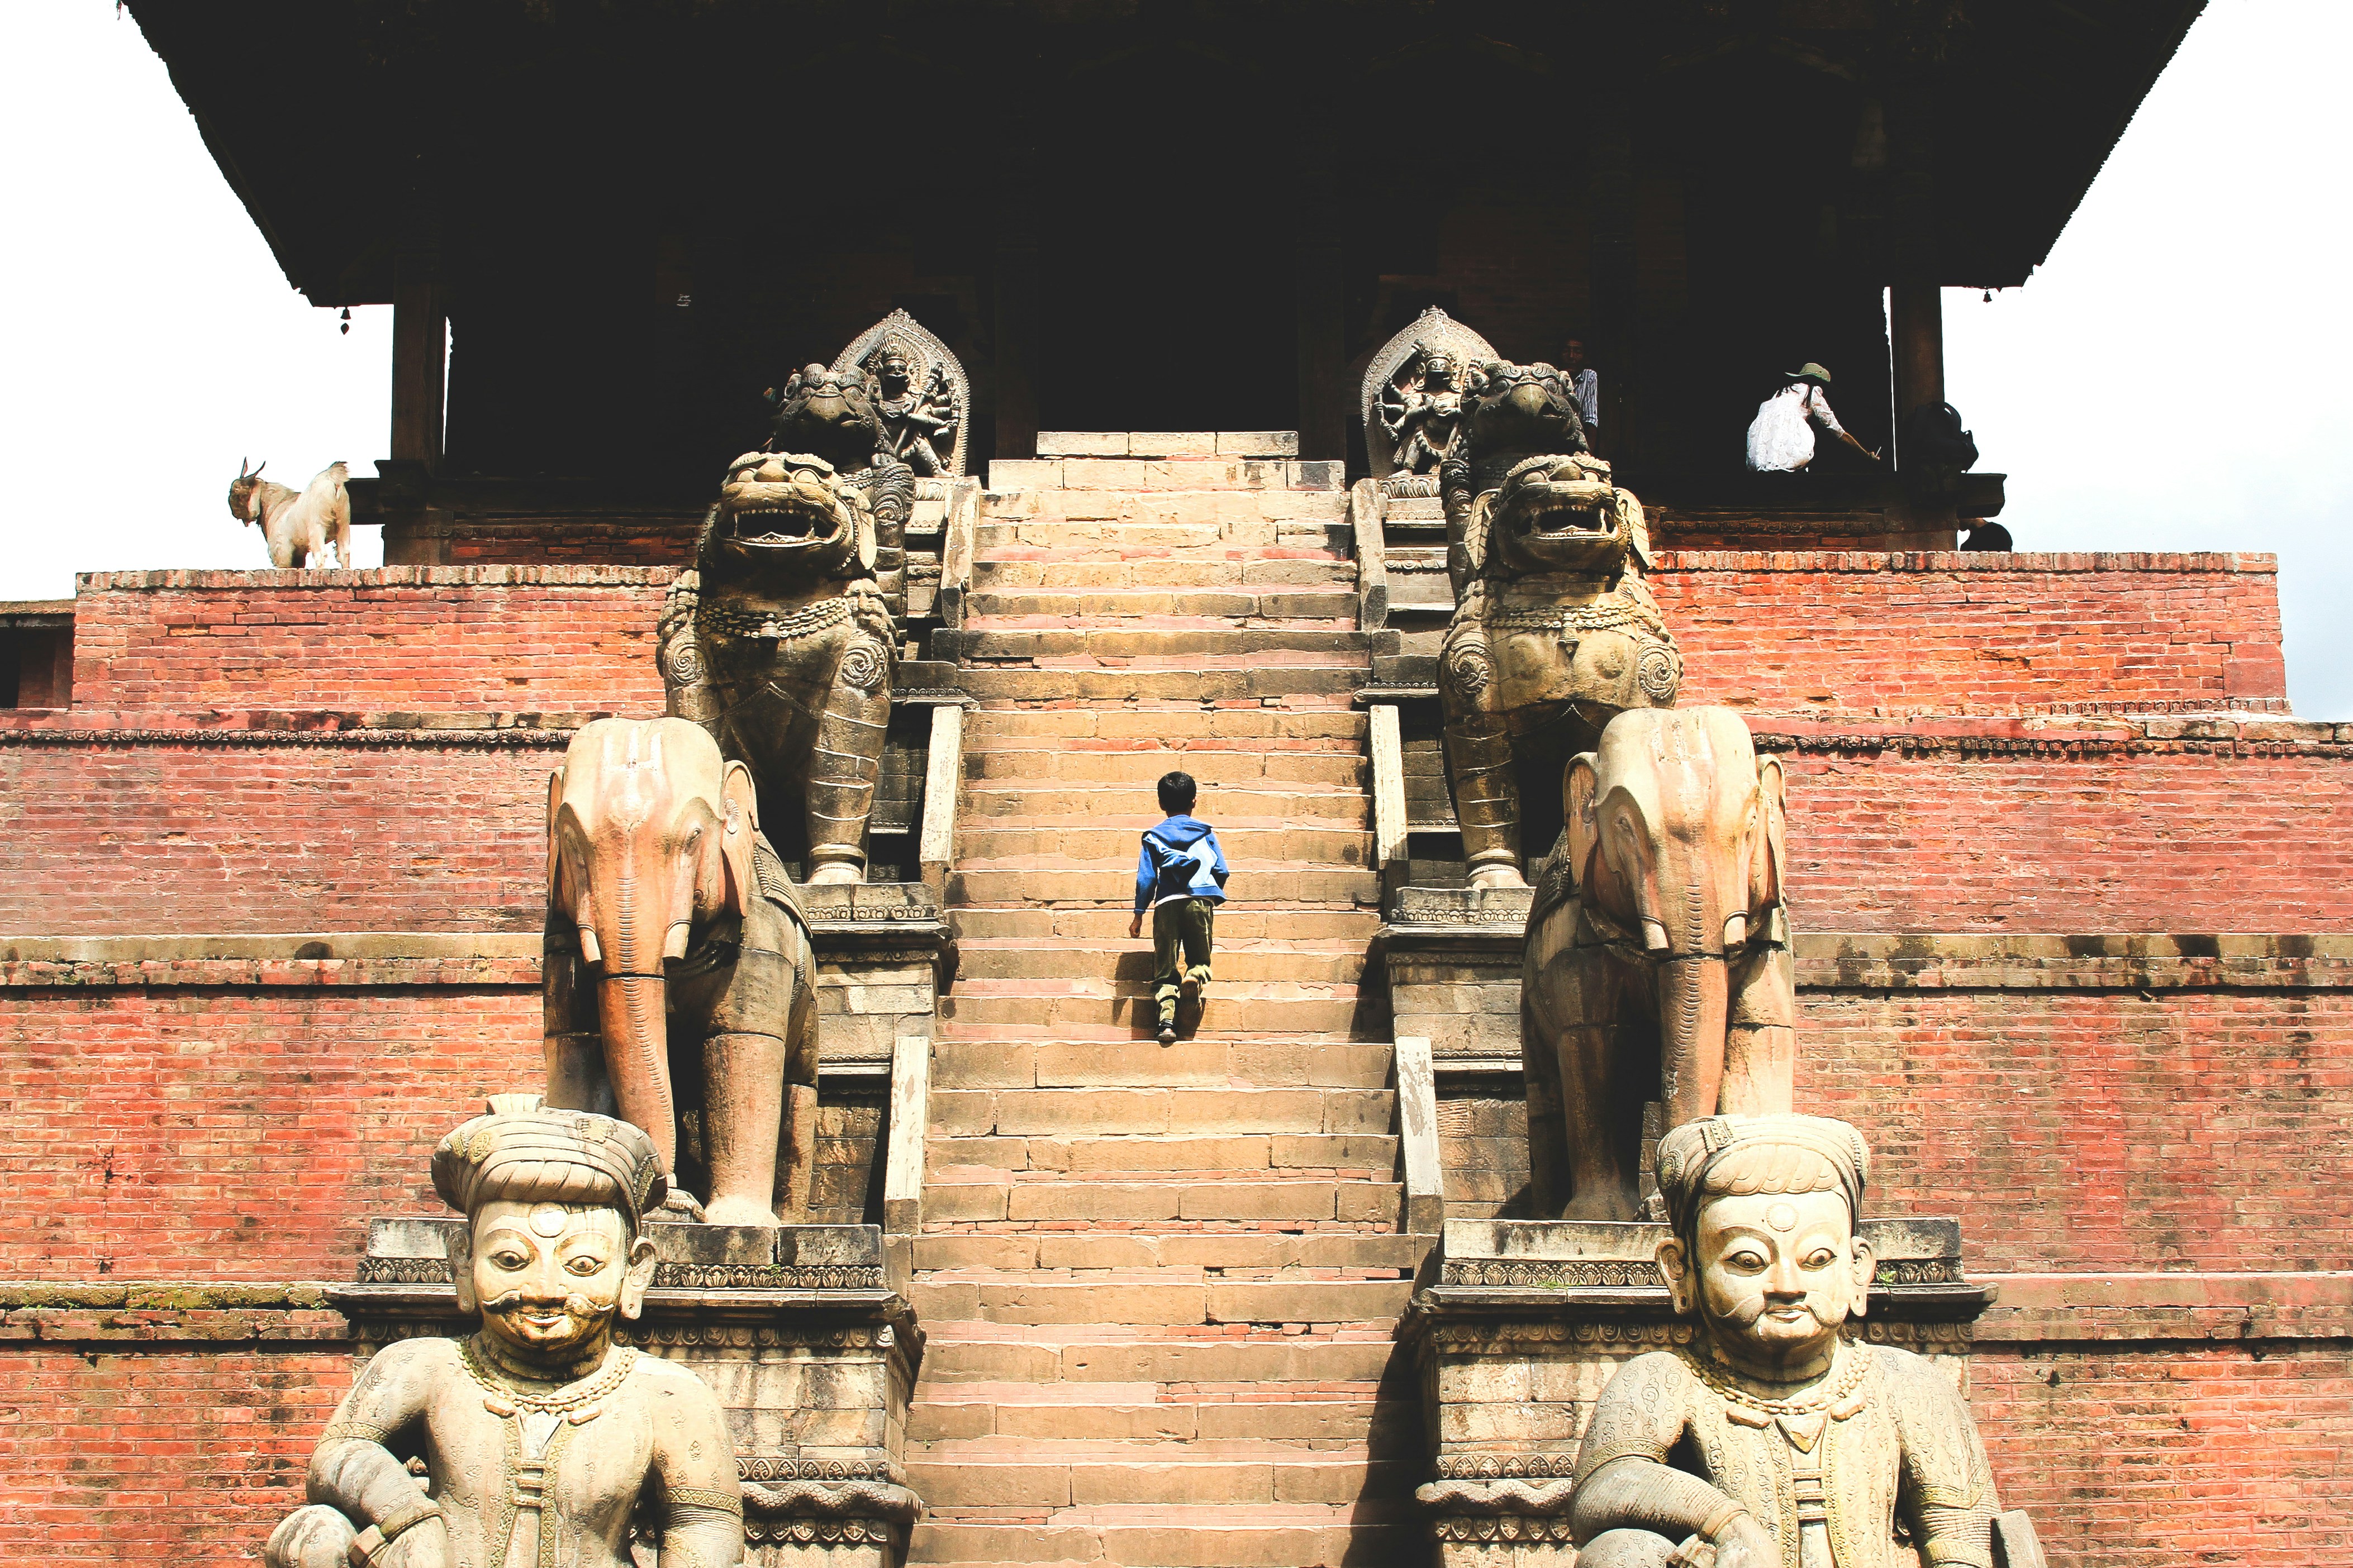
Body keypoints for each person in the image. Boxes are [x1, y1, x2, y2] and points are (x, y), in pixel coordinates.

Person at [265, 1099, 745, 1568]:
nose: (545, 1290)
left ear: (634, 1270)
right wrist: (410, 1520)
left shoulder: (667, 1394)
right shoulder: (424, 1367)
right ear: (463, 1259)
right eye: (510, 1260)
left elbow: (703, 1526)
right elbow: (339, 1454)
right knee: (312, 1534)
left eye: (583, 1264)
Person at [1566, 1114, 2026, 1568]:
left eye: (1817, 1258)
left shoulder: (1904, 1382)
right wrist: (1728, 1525)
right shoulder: (1667, 1378)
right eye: (1748, 1261)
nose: (1787, 1286)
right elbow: (1604, 1487)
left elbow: (1965, 1539)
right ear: (1681, 1269)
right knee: (1621, 1554)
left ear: (1857, 1268)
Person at [1128, 770, 1229, 1045]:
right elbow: (1222, 870)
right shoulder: (1206, 833)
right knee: (1200, 957)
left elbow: (1146, 879)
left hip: (1167, 904)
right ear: (1194, 801)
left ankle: (1166, 1022)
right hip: (1200, 900)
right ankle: (1194, 978)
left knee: (1165, 965)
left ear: (1161, 803)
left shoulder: (1153, 836)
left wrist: (1139, 914)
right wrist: (1210, 893)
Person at [1746, 363, 1880, 474]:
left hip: (1762, 445)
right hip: (1786, 445)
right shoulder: (1812, 391)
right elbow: (1839, 433)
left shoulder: (1781, 393)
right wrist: (1867, 456)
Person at [1561, 337, 1601, 435]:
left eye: (1578, 352)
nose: (1571, 356)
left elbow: (1590, 419)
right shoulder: (1552, 377)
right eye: (1566, 351)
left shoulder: (1589, 376)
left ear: (1585, 357)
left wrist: (1588, 446)